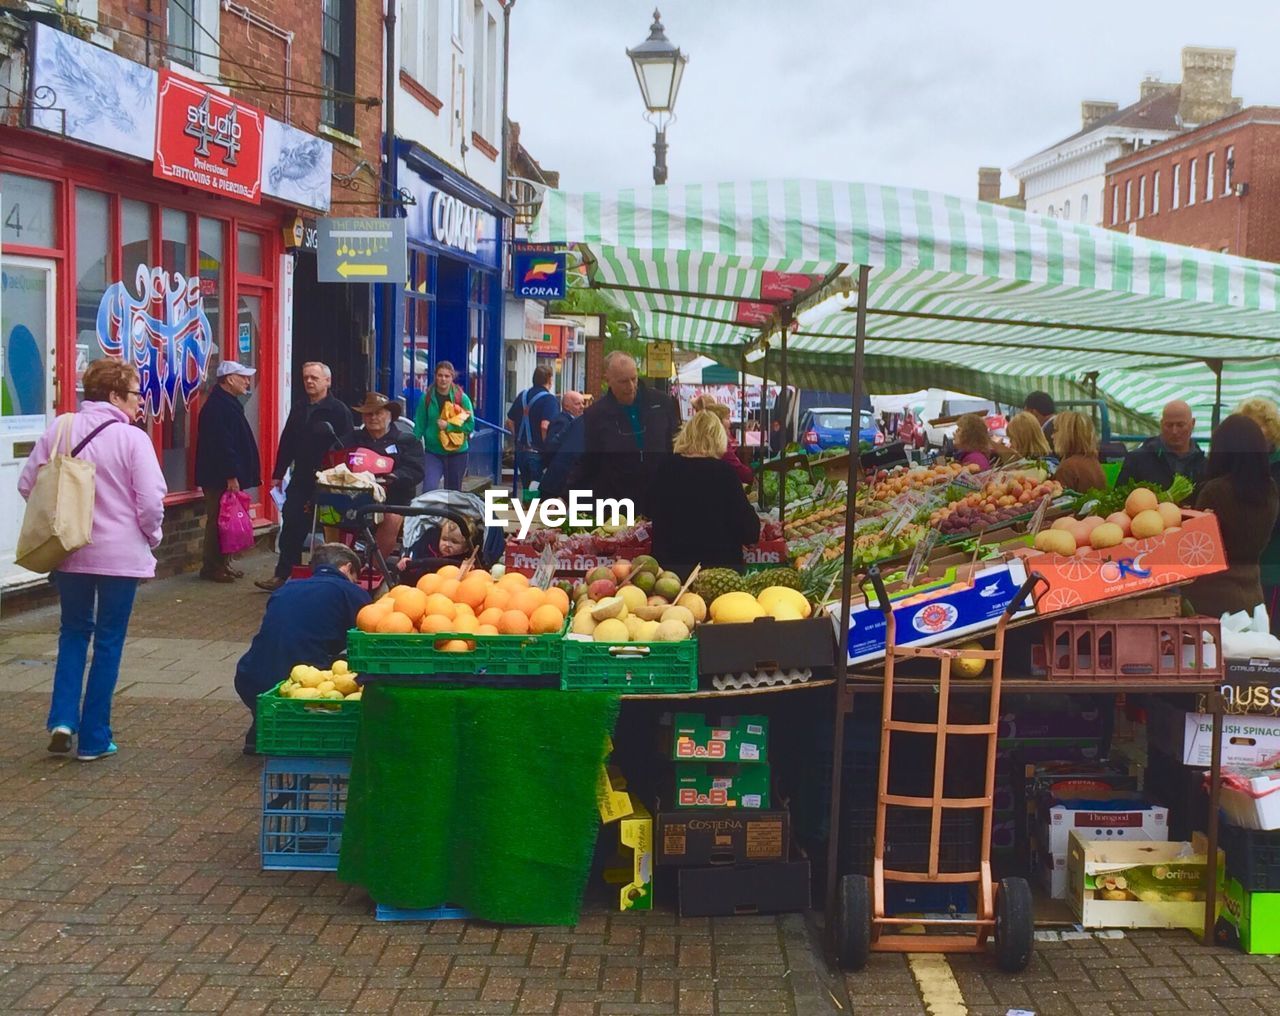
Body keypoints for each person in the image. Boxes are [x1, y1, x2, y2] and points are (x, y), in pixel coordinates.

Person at [18, 359, 167, 761]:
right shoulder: (132, 439)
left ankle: (63, 720)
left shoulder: (61, 428)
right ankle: (95, 738)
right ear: (116, 395)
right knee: (108, 640)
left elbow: (27, 483)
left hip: (69, 551)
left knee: (72, 632)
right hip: (120, 556)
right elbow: (151, 501)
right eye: (136, 394)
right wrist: (151, 537)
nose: (140, 403)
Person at [234, 543, 371, 754]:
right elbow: (366, 641)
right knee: (346, 668)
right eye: (356, 576)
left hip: (250, 676)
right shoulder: (349, 591)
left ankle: (263, 727)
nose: (356, 582)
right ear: (347, 568)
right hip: (303, 683)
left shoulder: (286, 588)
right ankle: (306, 732)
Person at [258, 362, 353, 592]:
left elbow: (349, 445)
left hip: (328, 479)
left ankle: (331, 576)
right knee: (291, 522)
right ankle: (283, 574)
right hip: (301, 476)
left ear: (327, 381)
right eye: (306, 378)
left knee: (333, 526)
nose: (309, 381)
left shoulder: (338, 410)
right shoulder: (299, 407)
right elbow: (287, 440)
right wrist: (278, 473)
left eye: (314, 378)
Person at [1185, 415, 1280, 618]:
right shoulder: (1270, 489)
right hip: (1253, 594)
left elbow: (1197, 546)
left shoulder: (1216, 491)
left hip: (1211, 598)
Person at [648, 411, 761, 579]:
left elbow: (648, 510)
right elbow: (749, 531)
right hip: (718, 575)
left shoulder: (664, 468)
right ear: (718, 438)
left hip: (670, 575)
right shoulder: (724, 474)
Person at [569, 351, 681, 511]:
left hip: (659, 498)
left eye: (633, 379)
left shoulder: (662, 403)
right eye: (623, 381)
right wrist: (566, 496)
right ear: (608, 381)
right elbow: (589, 460)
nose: (630, 387)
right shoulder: (596, 414)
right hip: (617, 503)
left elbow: (677, 445)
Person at [194, 361, 260, 583]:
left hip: (223, 474)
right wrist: (231, 475)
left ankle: (223, 564)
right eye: (243, 377)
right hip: (218, 476)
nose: (247, 382)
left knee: (226, 518)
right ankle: (212, 567)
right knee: (218, 521)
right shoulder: (218, 407)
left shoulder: (227, 403)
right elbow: (222, 445)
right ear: (229, 379)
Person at [344, 393, 426, 558]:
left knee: (391, 519)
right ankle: (340, 564)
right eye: (368, 414)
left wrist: (394, 476)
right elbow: (336, 460)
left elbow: (415, 471)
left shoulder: (407, 441)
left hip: (394, 499)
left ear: (390, 416)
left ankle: (375, 567)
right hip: (354, 498)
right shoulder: (352, 439)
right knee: (332, 515)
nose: (373, 417)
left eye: (378, 413)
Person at [1237, 397, 1280, 626]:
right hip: (1243, 567)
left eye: (1256, 427)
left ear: (1271, 429)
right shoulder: (1237, 464)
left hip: (1272, 562)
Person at [1116, 399, 1206, 489]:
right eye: (1169, 425)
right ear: (1161, 424)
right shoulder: (1136, 460)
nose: (1174, 431)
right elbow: (1120, 495)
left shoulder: (1204, 465)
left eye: (1180, 425)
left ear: (1192, 424)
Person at [413, 361, 474, 492]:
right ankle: (430, 513)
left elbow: (470, 425)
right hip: (433, 452)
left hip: (457, 452)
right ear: (435, 376)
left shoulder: (462, 399)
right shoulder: (427, 398)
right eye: (440, 375)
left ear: (452, 377)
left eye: (447, 376)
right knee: (429, 489)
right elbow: (420, 423)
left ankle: (449, 513)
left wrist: (449, 426)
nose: (443, 379)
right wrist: (412, 443)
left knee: (452, 493)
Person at [506, 364, 557, 491]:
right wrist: (548, 448)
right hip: (537, 453)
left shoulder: (523, 395)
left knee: (526, 488)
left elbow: (509, 421)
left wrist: (517, 437)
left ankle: (526, 508)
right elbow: (545, 426)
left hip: (521, 452)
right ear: (549, 380)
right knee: (537, 490)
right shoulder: (549, 400)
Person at [693, 396, 753, 484]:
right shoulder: (720, 442)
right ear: (718, 421)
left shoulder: (697, 436)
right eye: (727, 418)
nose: (730, 422)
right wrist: (753, 475)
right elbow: (736, 468)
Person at [540, 390, 586, 500]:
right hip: (557, 483)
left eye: (583, 403)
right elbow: (552, 447)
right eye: (577, 403)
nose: (582, 407)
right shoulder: (563, 422)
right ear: (567, 406)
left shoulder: (574, 421)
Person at [1051, 411, 1106, 493]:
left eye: (1056, 430)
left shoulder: (1067, 469)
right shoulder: (1093, 461)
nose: (1052, 436)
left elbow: (1059, 502)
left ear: (1066, 435)